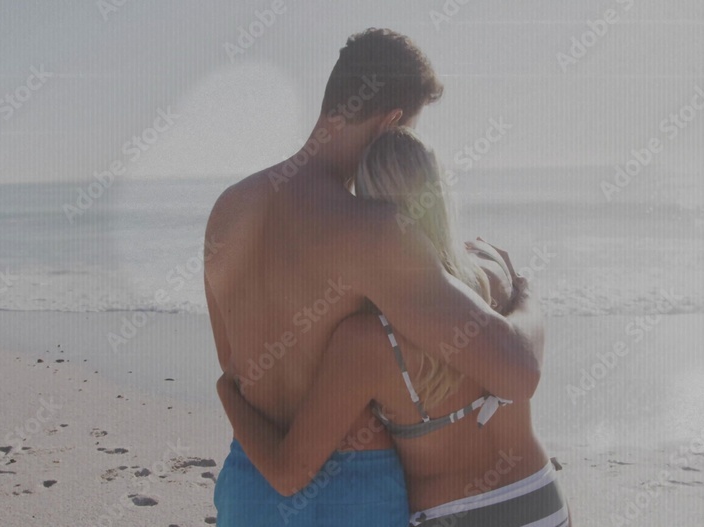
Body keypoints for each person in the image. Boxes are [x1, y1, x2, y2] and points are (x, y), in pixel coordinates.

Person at [205, 29, 546, 526]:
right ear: (390, 121)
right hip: (353, 488)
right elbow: (517, 371)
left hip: (249, 481)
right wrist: (525, 297)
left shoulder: (228, 210)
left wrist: (228, 395)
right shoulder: (375, 231)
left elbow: (231, 362)